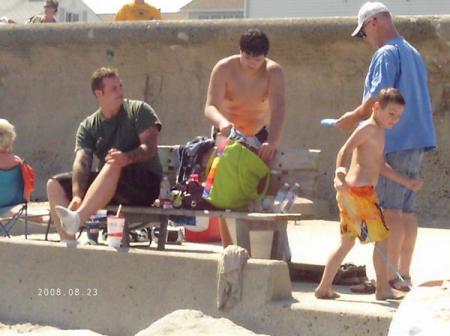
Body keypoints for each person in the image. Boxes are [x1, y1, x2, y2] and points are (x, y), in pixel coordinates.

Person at [336, 1, 437, 291]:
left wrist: (353, 117)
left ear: (373, 23)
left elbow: (376, 98)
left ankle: (388, 279)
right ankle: (402, 276)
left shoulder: (386, 53)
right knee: (406, 211)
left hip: (393, 140)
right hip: (418, 139)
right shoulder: (413, 52)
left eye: (362, 33)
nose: (364, 40)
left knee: (390, 211)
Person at [315, 88, 423, 300]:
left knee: (347, 243)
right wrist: (339, 175)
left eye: (399, 116)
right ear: (376, 107)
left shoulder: (380, 131)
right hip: (359, 194)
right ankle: (382, 288)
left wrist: (406, 182)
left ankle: (323, 287)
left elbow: (380, 165)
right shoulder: (368, 128)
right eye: (391, 113)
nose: (395, 119)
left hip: (357, 195)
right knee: (382, 239)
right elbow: (344, 150)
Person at [47, 67, 163, 244]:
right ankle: (68, 242)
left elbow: (150, 148)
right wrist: (77, 195)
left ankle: (77, 219)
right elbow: (82, 162)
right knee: (54, 185)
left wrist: (125, 158)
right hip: (108, 184)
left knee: (113, 161)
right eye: (114, 89)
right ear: (99, 93)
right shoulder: (88, 125)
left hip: (144, 184)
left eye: (120, 86)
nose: (120, 92)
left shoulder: (139, 110)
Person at [204, 28, 286, 246]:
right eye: (247, 57)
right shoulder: (224, 68)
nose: (251, 63)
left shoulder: (273, 72)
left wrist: (272, 141)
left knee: (262, 188)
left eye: (257, 59)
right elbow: (210, 106)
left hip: (259, 134)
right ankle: (228, 248)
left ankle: (265, 246)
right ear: (240, 51)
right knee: (223, 191)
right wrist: (222, 123)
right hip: (227, 134)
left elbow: (279, 110)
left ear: (265, 56)